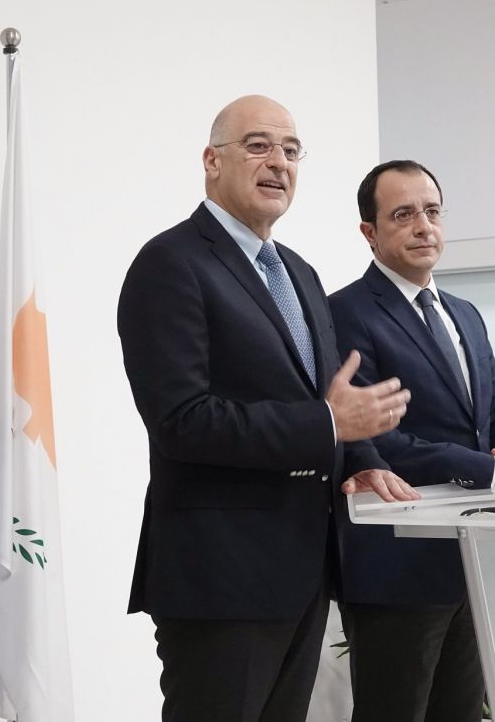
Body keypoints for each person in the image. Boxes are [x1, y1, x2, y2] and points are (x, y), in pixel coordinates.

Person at [117, 96, 419, 722]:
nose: (278, 162)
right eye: (258, 145)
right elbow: (182, 421)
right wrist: (329, 424)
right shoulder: (170, 263)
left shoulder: (300, 273)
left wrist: (358, 457)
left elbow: (323, 397)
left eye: (291, 150)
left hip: (303, 572)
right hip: (219, 579)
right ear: (212, 160)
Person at [329, 159, 495, 722]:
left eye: (432, 212)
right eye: (403, 215)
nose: (423, 227)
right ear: (369, 232)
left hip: (475, 560)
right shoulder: (343, 313)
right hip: (396, 563)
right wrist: (490, 471)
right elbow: (374, 440)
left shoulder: (465, 314)